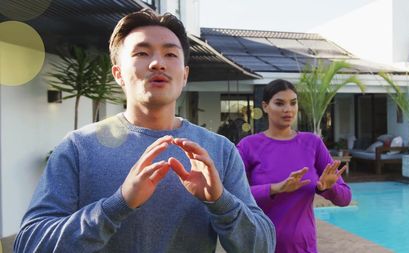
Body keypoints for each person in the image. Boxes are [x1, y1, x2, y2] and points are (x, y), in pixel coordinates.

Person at [14, 9, 275, 253]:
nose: (157, 63)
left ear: (184, 75)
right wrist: (116, 206)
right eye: (142, 53)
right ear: (118, 73)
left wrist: (220, 201)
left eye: (170, 54)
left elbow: (263, 245)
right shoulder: (78, 148)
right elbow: (29, 243)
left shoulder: (219, 151)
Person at [236, 79, 351, 253]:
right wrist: (275, 188)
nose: (288, 109)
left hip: (302, 247)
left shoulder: (313, 143)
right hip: (259, 245)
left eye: (293, 103)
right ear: (265, 106)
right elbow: (233, 195)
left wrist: (327, 188)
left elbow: (345, 198)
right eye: (279, 103)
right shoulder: (248, 146)